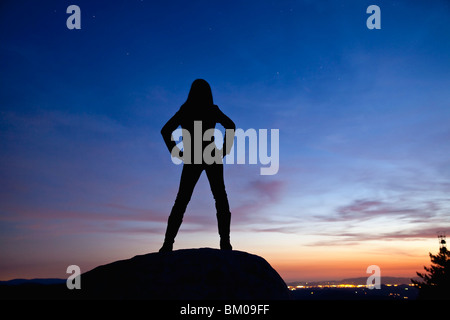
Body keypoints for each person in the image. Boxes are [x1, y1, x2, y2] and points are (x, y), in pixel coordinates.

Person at [159, 79, 236, 252]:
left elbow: (165, 130)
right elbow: (230, 126)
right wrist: (224, 150)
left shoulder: (186, 110)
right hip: (210, 154)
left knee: (182, 200)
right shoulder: (211, 109)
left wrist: (177, 152)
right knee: (220, 198)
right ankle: (225, 242)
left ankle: (167, 244)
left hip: (193, 156)